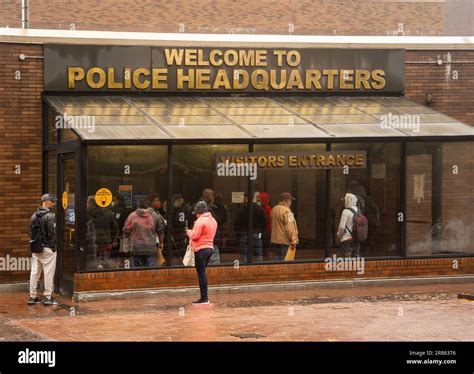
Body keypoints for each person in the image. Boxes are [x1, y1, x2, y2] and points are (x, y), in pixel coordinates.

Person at [28, 193, 58, 306]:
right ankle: (48, 297)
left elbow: (31, 233)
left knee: (35, 272)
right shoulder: (50, 216)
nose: (54, 203)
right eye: (52, 201)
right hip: (48, 249)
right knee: (49, 273)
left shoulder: (34, 215)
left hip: (36, 248)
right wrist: (53, 247)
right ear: (47, 202)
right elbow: (52, 234)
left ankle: (32, 296)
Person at [186, 201, 217, 305]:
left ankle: (204, 298)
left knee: (201, 274)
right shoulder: (213, 220)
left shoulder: (200, 221)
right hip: (209, 249)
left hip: (200, 250)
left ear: (199, 212)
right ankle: (204, 297)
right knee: (203, 272)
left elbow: (195, 236)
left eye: (196, 212)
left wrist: (188, 232)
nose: (195, 214)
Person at [123, 197, 158, 268]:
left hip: (136, 248)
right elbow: (160, 230)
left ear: (138, 205)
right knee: (151, 272)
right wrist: (161, 243)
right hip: (150, 248)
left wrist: (125, 244)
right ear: (148, 205)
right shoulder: (155, 215)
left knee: (137, 272)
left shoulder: (131, 216)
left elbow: (126, 231)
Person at [86, 196, 119, 269]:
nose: (86, 205)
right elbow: (115, 228)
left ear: (91, 204)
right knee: (106, 264)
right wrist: (112, 238)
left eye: (87, 203)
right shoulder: (108, 213)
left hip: (92, 244)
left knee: (92, 265)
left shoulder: (87, 215)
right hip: (106, 242)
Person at [234, 193, 267, 263]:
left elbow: (236, 224)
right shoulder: (259, 209)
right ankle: (259, 271)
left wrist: (239, 235)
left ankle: (245, 272)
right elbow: (264, 224)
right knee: (258, 257)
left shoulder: (240, 210)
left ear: (245, 198)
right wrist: (260, 234)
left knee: (244, 258)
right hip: (256, 234)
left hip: (243, 235)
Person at [270, 192, 299, 261]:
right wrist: (293, 240)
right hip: (285, 241)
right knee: (286, 262)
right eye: (290, 200)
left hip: (276, 240)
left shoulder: (274, 209)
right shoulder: (287, 212)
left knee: (277, 260)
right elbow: (290, 228)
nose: (291, 202)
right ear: (287, 200)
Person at [337, 193, 361, 258]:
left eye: (345, 199)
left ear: (348, 200)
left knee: (347, 262)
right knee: (356, 261)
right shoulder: (358, 210)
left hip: (347, 239)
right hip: (356, 239)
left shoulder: (345, 211)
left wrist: (339, 235)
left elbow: (342, 227)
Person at [258, 192, 272, 260]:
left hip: (265, 231)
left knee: (264, 246)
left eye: (260, 200)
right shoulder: (266, 208)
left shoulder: (267, 208)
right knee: (264, 246)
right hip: (265, 230)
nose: (259, 201)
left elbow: (267, 220)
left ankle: (265, 260)